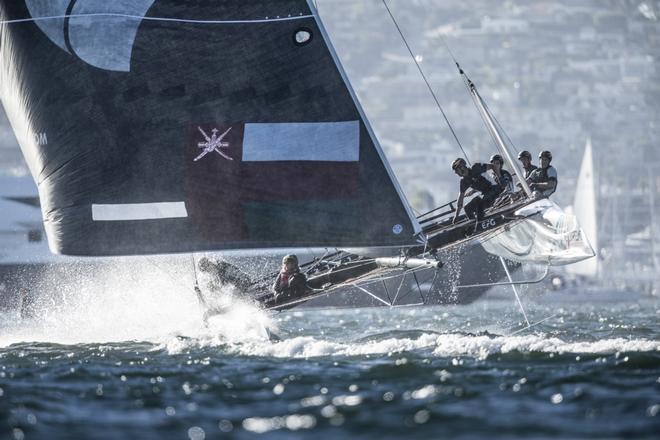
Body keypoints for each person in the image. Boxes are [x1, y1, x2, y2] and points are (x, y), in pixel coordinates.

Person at [451, 158, 500, 224]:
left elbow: (493, 166)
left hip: (495, 190)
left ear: (462, 167)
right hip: (485, 195)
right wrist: (456, 216)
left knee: (478, 201)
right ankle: (474, 226)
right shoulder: (464, 181)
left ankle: (479, 223)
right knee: (467, 208)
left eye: (457, 171)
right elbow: (460, 199)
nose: (456, 173)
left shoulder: (476, 167)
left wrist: (500, 178)